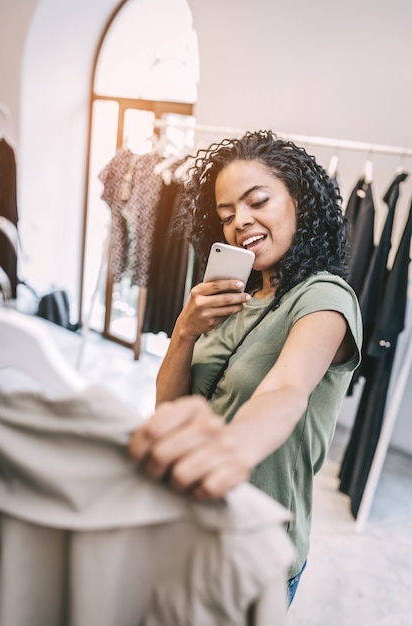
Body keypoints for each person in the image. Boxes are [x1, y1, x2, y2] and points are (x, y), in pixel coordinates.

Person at [129, 129, 362, 605]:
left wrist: (225, 453)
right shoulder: (233, 296)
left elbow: (287, 390)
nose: (241, 221)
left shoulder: (324, 299)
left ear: (298, 200)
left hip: (254, 553)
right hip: (185, 528)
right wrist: (184, 331)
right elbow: (169, 408)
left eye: (258, 202)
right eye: (227, 213)